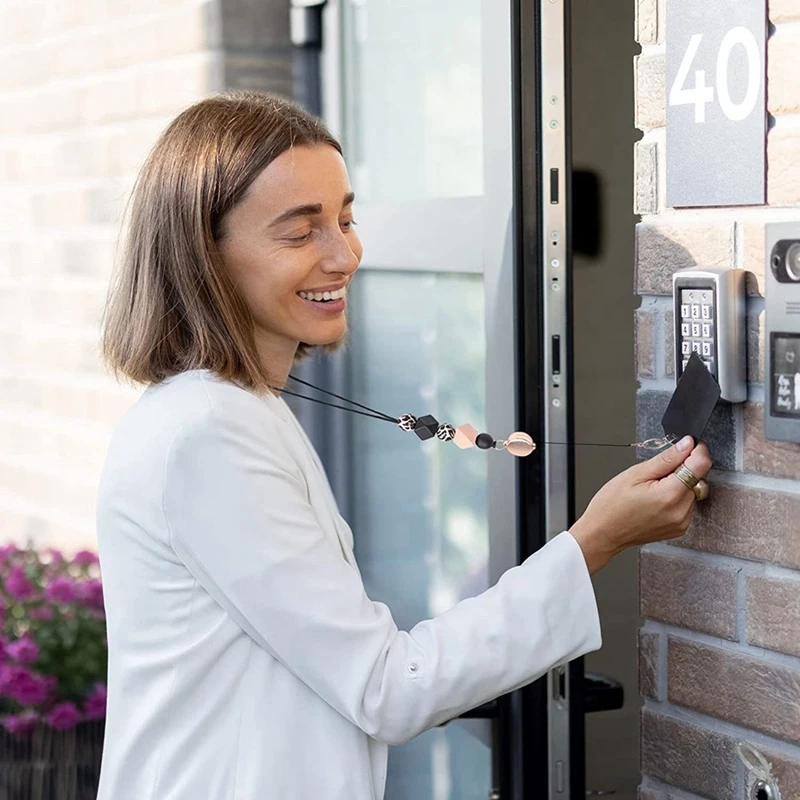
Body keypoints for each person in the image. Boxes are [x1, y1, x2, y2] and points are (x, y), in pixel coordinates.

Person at [96, 91, 712, 800]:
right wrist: (594, 542)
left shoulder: (232, 409)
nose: (344, 254)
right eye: (301, 233)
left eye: (346, 219)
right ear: (204, 255)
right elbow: (388, 687)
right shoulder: (207, 435)